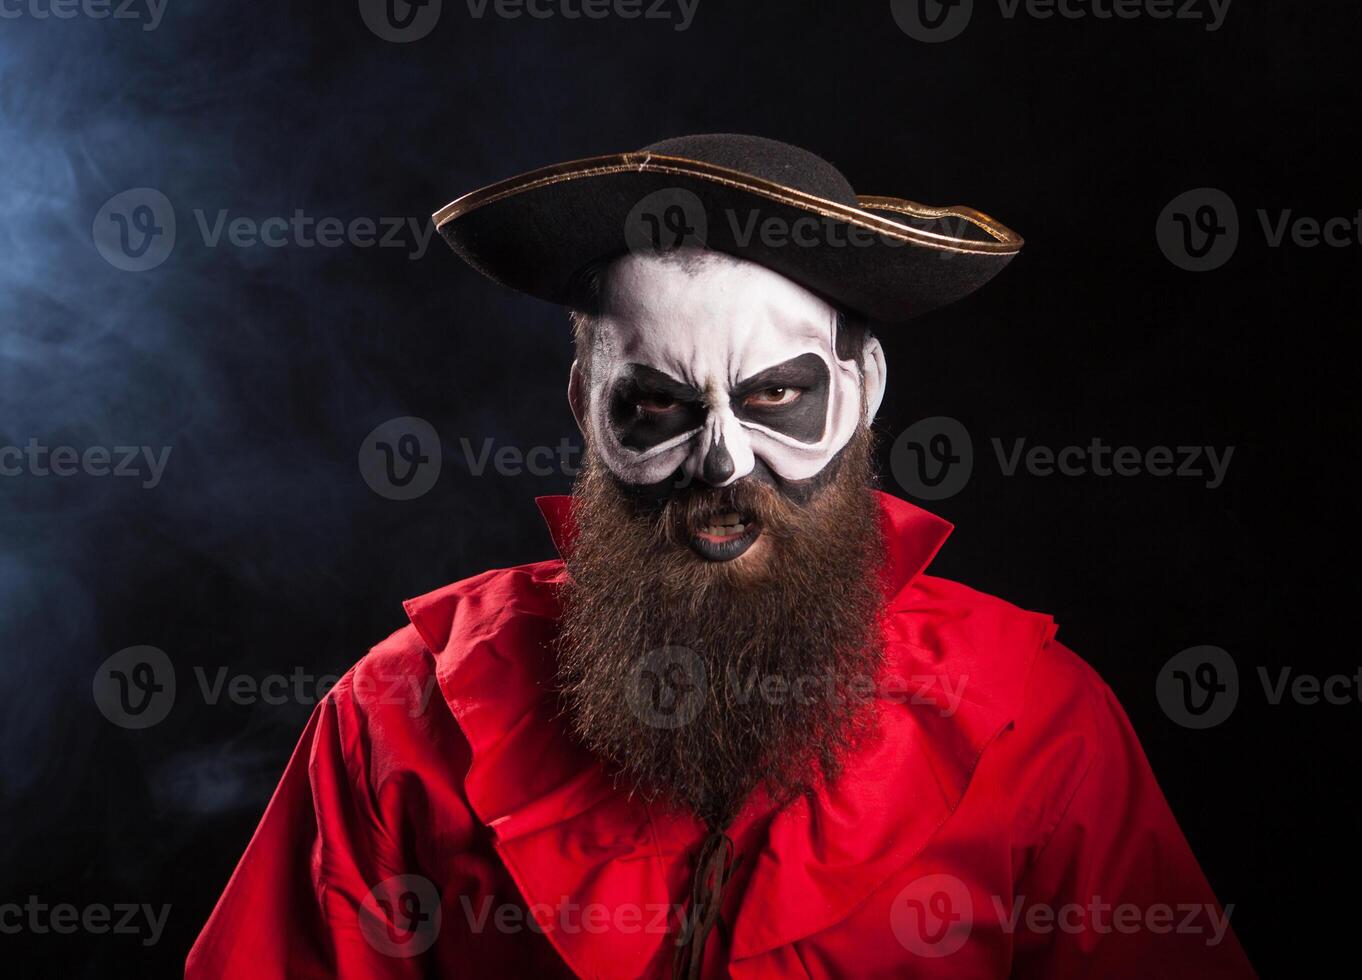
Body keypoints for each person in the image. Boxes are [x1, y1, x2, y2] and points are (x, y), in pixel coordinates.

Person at [186, 133, 1256, 978]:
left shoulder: (1037, 724)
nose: (723, 463)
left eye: (776, 396)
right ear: (584, 406)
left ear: (863, 392)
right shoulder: (398, 717)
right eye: (656, 406)